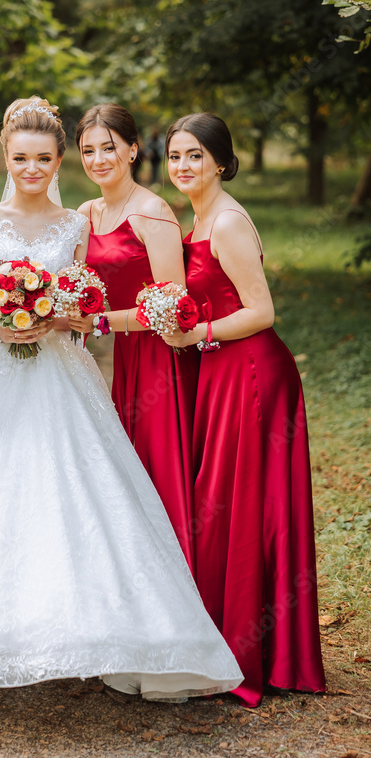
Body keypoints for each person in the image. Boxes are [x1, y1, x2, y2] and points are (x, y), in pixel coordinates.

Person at [0, 97, 242, 701]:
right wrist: (1, 326)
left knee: (78, 489)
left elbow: (83, 299)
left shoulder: (75, 223)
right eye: (22, 157)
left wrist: (62, 315)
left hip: (61, 369)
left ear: (59, 162)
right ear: (6, 156)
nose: (33, 168)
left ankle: (96, 627)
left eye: (45, 159)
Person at [163, 112, 326, 707]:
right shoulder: (199, 215)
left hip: (253, 371)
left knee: (244, 504)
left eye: (195, 156)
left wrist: (196, 332)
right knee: (226, 501)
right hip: (223, 368)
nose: (183, 166)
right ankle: (237, 643)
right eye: (176, 155)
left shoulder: (227, 222)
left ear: (221, 162)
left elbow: (262, 310)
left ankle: (250, 653)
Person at [71, 104, 198, 571]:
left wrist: (102, 322)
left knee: (158, 466)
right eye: (88, 150)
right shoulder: (86, 212)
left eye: (109, 147)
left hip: (161, 357)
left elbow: (172, 308)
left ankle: (180, 577)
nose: (98, 158)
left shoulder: (152, 212)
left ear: (132, 149)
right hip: (123, 357)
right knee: (128, 470)